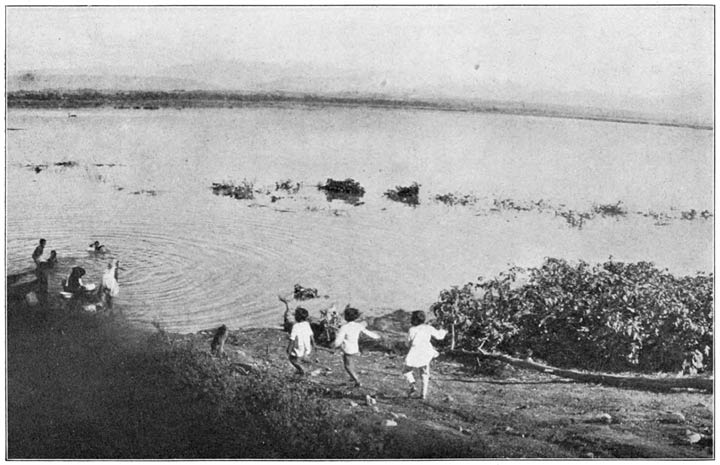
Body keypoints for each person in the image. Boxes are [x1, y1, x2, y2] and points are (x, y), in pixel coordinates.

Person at [403, 310, 447, 400]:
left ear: (414, 320)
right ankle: (423, 394)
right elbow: (439, 336)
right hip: (426, 352)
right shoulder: (428, 328)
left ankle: (412, 384)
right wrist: (444, 330)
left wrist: (408, 345)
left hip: (415, 351)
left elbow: (407, 343)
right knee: (425, 373)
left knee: (406, 371)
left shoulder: (412, 330)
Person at [331, 307, 380, 387]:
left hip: (347, 349)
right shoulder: (358, 325)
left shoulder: (344, 327)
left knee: (347, 366)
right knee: (351, 363)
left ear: (345, 317)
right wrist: (376, 336)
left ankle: (357, 380)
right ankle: (352, 377)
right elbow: (367, 332)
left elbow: (338, 340)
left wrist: (334, 346)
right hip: (355, 348)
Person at [286, 307, 315, 375]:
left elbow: (292, 339)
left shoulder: (295, 326)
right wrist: (314, 344)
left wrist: (289, 349)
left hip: (299, 347)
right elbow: (311, 336)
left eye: (295, 315)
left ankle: (301, 369)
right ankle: (304, 364)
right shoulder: (307, 324)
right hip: (307, 347)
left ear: (297, 317)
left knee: (292, 359)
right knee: (302, 356)